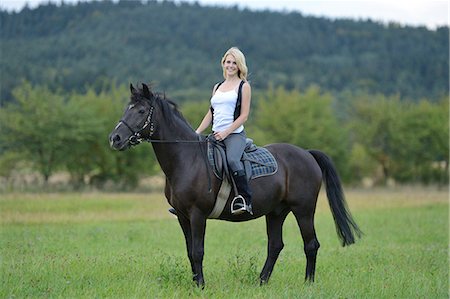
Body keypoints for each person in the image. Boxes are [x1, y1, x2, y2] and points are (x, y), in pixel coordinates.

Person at [195, 47, 253, 215]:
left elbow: (244, 116)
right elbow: (211, 113)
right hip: (215, 134)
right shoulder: (217, 87)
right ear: (223, 63)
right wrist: (197, 132)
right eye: (228, 62)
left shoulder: (244, 86)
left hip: (234, 135)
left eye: (234, 63)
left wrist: (226, 132)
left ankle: (245, 199)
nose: (231, 65)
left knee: (233, 160)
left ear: (239, 65)